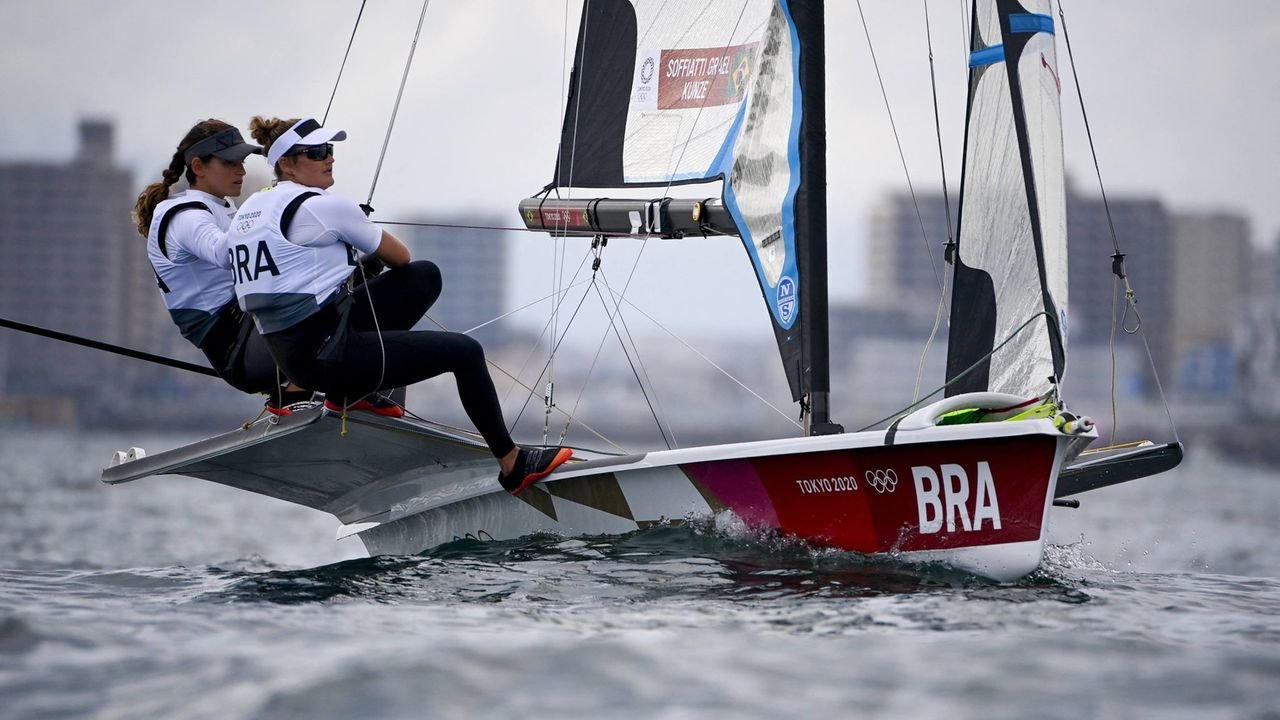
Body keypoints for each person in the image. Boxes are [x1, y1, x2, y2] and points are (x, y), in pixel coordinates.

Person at [229, 116, 572, 494]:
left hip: (293, 355)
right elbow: (399, 256)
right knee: (466, 352)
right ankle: (512, 464)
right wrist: (352, 234)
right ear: (286, 164)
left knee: (424, 276)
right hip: (329, 357)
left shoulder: (251, 210)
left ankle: (349, 396)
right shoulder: (323, 207)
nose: (329, 158)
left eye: (330, 149)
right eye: (317, 152)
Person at [132, 119, 313, 416]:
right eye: (230, 162)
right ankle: (294, 395)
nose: (241, 170)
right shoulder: (185, 217)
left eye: (242, 162)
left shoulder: (221, 205)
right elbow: (227, 253)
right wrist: (282, 213)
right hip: (237, 351)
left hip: (252, 328)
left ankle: (330, 393)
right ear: (198, 166)